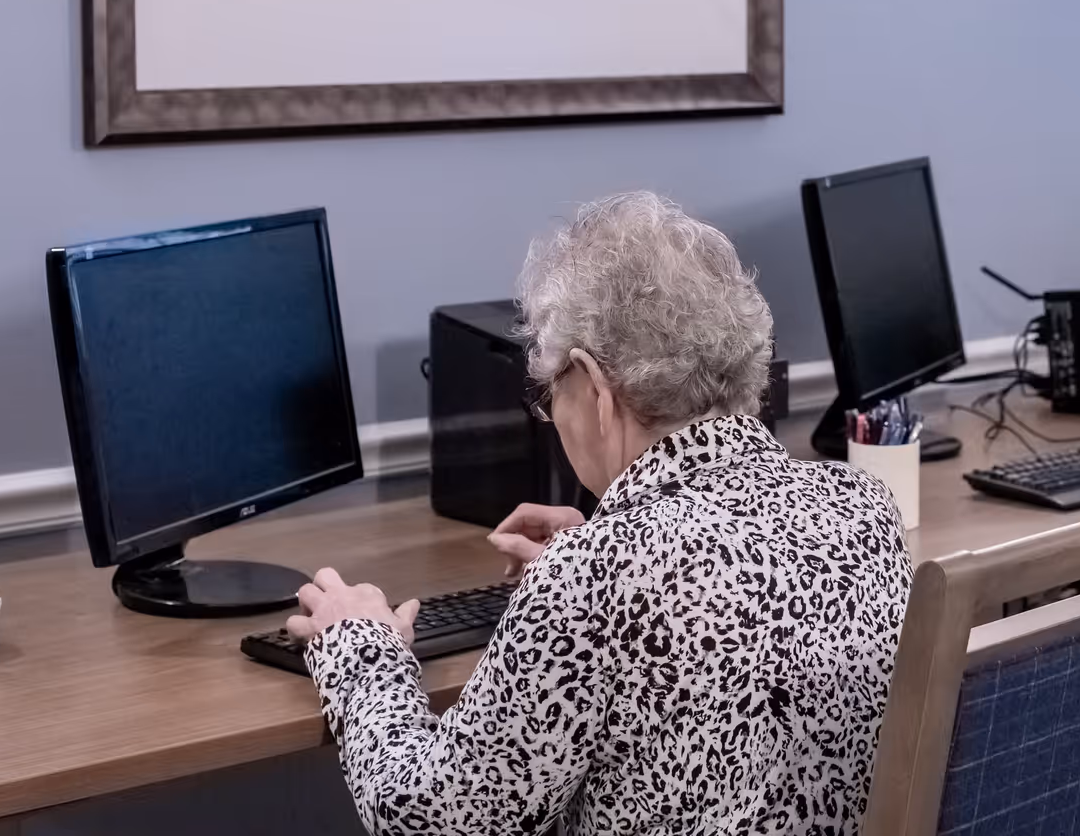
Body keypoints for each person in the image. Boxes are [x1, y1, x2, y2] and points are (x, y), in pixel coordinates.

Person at [284, 193, 913, 836]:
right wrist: (596, 561)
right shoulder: (861, 505)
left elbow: (435, 821)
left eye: (550, 389)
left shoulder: (599, 573)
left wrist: (360, 649)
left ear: (591, 386)